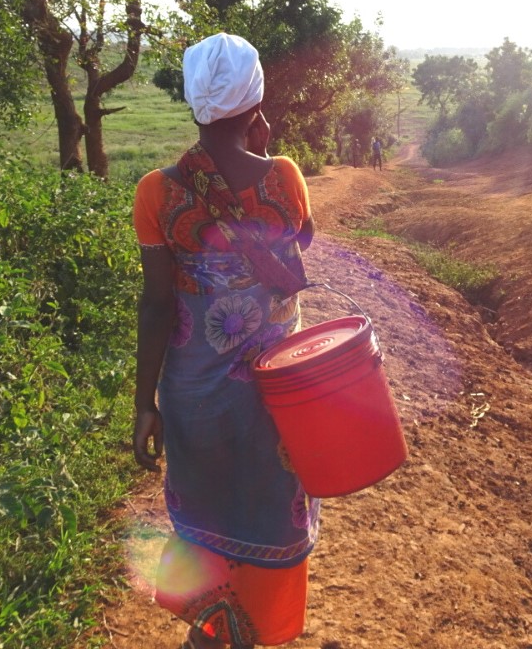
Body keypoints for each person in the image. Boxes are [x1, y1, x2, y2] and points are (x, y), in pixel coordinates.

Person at [132, 32, 318, 649]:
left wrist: (143, 404)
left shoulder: (157, 191)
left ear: (193, 103)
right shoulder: (285, 179)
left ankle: (212, 632)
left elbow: (157, 305)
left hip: (195, 397)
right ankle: (257, 632)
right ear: (254, 102)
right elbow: (305, 243)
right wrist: (263, 157)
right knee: (266, 516)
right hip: (277, 397)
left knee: (207, 522)